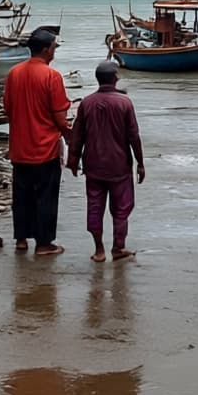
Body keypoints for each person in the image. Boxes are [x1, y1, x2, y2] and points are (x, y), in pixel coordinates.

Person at [67, 60, 145, 262]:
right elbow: (133, 136)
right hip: (119, 166)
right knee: (121, 208)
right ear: (115, 78)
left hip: (93, 166)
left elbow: (77, 135)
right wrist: (140, 163)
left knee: (95, 206)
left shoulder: (87, 103)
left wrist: (73, 159)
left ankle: (99, 250)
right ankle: (118, 248)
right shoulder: (125, 103)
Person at [4, 27, 71, 257]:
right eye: (53, 47)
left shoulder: (14, 73)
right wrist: (72, 137)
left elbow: (8, 109)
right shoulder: (52, 76)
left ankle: (21, 239)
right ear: (46, 50)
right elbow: (61, 118)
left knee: (21, 195)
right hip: (45, 147)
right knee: (46, 197)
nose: (54, 51)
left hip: (20, 146)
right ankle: (44, 244)